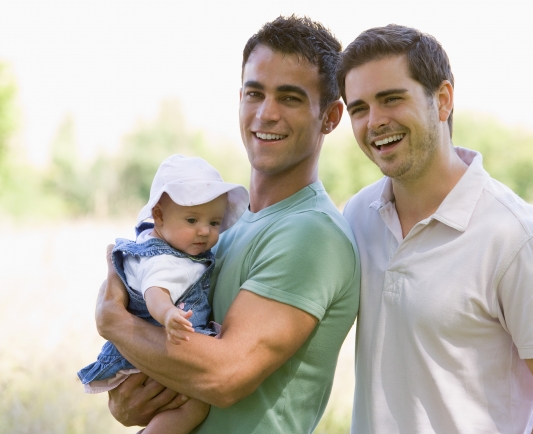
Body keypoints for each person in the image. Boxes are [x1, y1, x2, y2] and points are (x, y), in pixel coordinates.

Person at [95, 15, 360, 433]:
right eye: (255, 93)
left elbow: (223, 376)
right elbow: (150, 379)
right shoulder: (220, 229)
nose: (266, 114)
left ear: (330, 116)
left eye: (289, 98)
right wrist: (128, 400)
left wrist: (114, 322)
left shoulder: (312, 235)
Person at [337, 25, 533, 433]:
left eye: (391, 99)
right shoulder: (357, 215)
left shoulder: (513, 235)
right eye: (359, 108)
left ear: (442, 100)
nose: (375, 121)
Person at [79, 154, 248, 433]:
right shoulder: (166, 260)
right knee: (196, 405)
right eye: (192, 220)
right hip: (154, 343)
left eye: (215, 223)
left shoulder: (150, 240)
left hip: (138, 347)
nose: (204, 231)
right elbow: (155, 292)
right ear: (158, 215)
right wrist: (168, 313)